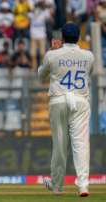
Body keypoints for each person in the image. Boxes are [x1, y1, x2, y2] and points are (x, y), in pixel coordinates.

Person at [38, 23, 94, 197]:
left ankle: (57, 186)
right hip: (80, 100)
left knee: (60, 145)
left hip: (59, 100)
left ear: (62, 38)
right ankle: (83, 185)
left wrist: (53, 52)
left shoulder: (52, 55)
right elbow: (87, 74)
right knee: (81, 144)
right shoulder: (89, 55)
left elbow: (41, 76)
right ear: (78, 37)